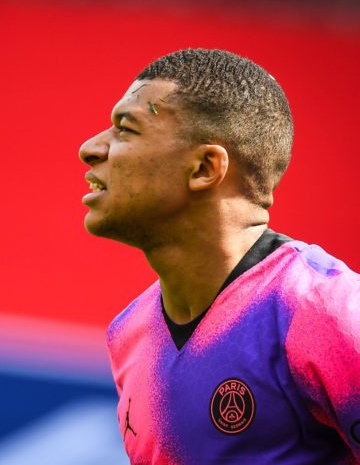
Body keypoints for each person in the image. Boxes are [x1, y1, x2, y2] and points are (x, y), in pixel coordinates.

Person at [78, 48, 360, 463]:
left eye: (126, 129)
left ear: (205, 168)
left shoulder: (324, 309)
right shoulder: (129, 332)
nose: (90, 148)